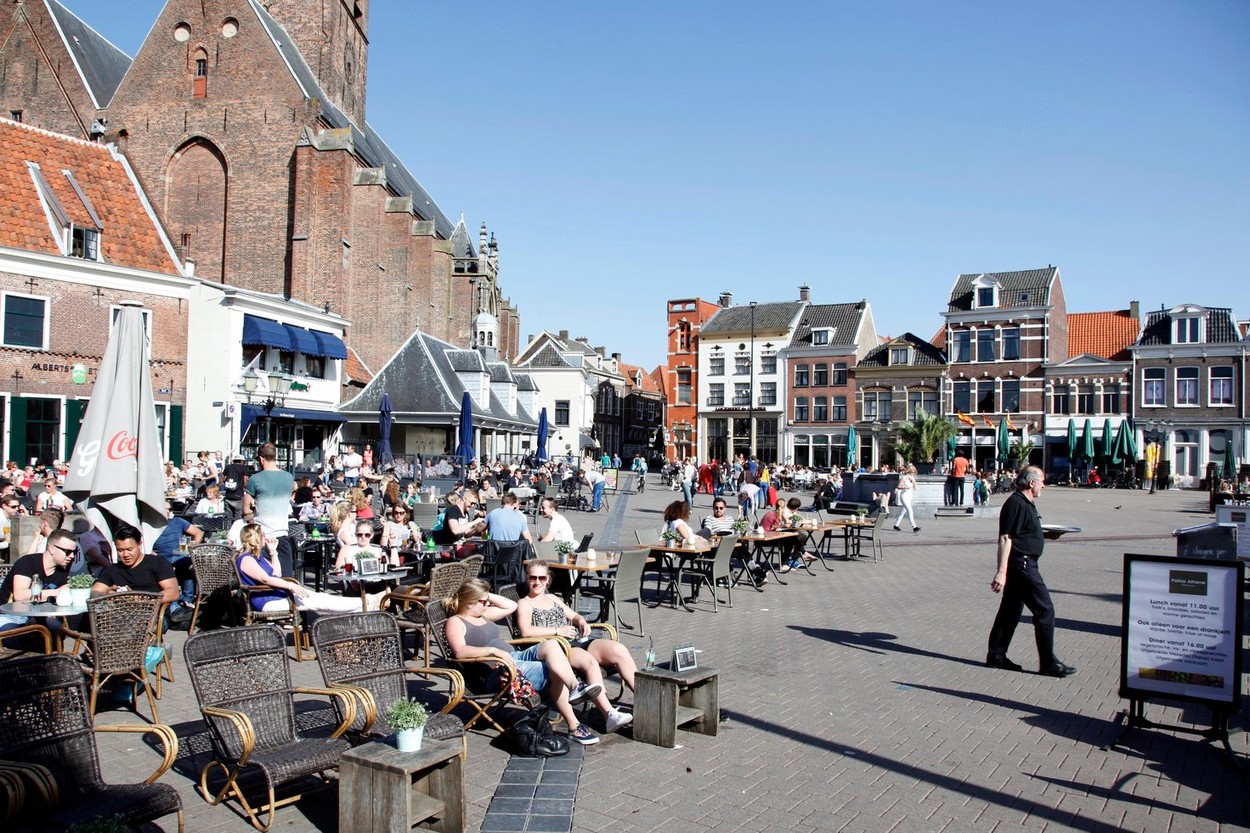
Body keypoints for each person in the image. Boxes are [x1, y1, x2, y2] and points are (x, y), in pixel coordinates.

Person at [444, 579, 604, 745]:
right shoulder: (456, 621)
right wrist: (492, 651)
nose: (487, 604)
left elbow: (510, 606)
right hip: (498, 671)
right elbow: (460, 651)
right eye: (483, 602)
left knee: (551, 644)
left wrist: (485, 593)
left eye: (487, 601)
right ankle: (574, 726)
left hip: (513, 657)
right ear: (469, 603)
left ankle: (575, 687)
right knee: (554, 669)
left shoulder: (482, 614)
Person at [516, 559, 635, 733]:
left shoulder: (552, 598)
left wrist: (582, 621)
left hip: (576, 640)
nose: (537, 582)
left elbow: (574, 615)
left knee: (618, 649)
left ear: (548, 579)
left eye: (541, 578)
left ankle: (645, 700)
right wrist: (558, 630)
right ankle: (609, 714)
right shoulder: (525, 603)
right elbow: (526, 631)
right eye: (533, 577)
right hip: (559, 648)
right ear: (527, 578)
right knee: (590, 662)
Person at [985, 467, 1076, 678]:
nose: (1044, 485)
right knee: (1045, 610)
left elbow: (1024, 531)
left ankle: (996, 655)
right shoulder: (1015, 503)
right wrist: (1001, 572)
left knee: (1010, 611)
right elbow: (1005, 538)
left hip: (1023, 563)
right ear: (1031, 482)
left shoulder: (1027, 504)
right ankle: (1048, 662)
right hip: (1022, 565)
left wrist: (1047, 535)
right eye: (1042, 481)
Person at [238, 523, 383, 612]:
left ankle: (368, 605)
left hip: (279, 596)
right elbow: (266, 579)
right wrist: (291, 586)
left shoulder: (259, 558)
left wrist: (273, 552)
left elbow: (276, 573)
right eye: (263, 535)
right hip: (268, 602)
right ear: (256, 538)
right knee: (321, 601)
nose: (265, 537)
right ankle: (369, 602)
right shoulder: (246, 559)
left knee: (322, 599)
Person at [0, 528, 78, 641]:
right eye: (68, 552)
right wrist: (57, 592)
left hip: (36, 617)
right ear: (52, 549)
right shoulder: (28, 562)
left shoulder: (63, 569)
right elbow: (20, 595)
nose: (72, 556)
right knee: (16, 638)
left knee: (57, 632)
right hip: (8, 615)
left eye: (74, 552)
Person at [244, 442, 296, 576]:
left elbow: (245, 510)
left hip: (262, 536)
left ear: (261, 458)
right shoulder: (289, 477)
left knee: (263, 578)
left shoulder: (255, 479)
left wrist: (254, 511)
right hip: (282, 535)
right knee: (285, 578)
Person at [92, 526, 179, 604]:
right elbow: (94, 593)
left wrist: (139, 599)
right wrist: (107, 594)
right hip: (121, 617)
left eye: (129, 549)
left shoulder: (157, 562)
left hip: (153, 615)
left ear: (139, 545)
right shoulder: (112, 569)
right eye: (121, 550)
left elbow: (173, 593)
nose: (125, 554)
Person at [893, 464, 921, 533]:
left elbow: (915, 488)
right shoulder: (904, 478)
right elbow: (898, 487)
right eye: (912, 471)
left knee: (903, 512)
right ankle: (914, 527)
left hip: (909, 496)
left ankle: (896, 525)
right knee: (910, 510)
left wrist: (914, 482)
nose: (913, 473)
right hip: (904, 496)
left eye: (914, 471)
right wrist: (905, 487)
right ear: (908, 471)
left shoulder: (912, 478)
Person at [221, 455, 249, 520]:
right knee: (238, 518)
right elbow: (245, 483)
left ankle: (228, 529)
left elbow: (221, 478)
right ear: (242, 461)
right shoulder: (244, 468)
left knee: (228, 518)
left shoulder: (228, 467)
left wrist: (218, 488)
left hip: (228, 495)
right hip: (238, 496)